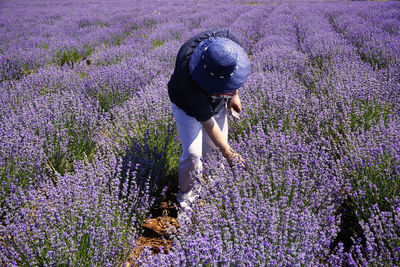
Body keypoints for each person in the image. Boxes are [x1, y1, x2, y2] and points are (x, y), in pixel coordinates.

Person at [168, 29, 251, 211]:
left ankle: (213, 194)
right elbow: (206, 121)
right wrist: (228, 152)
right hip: (186, 105)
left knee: (213, 151)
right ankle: (187, 202)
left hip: (216, 103)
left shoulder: (228, 43)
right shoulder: (187, 72)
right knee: (193, 154)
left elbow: (232, 72)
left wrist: (233, 96)